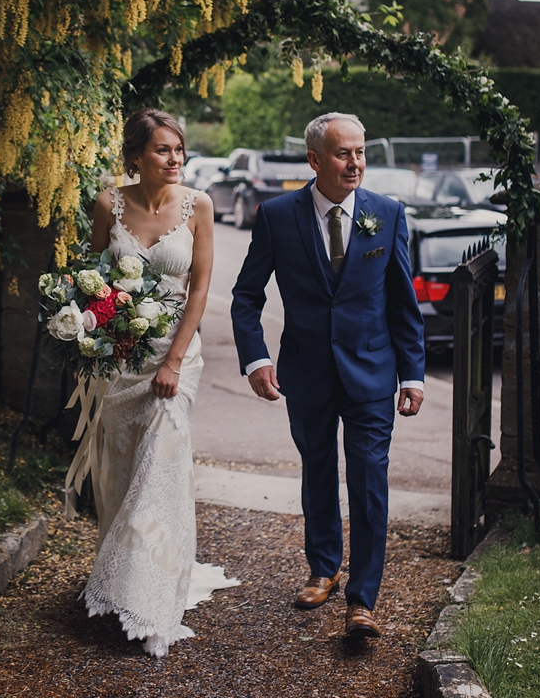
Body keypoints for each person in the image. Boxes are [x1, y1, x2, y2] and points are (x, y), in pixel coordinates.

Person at [230, 112, 425, 638]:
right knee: (317, 471)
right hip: (307, 372)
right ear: (315, 160)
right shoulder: (276, 216)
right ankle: (323, 569)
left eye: (360, 152)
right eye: (344, 153)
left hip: (372, 372)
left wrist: (413, 374)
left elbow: (403, 303)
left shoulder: (387, 213)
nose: (356, 162)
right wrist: (256, 359)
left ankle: (363, 601)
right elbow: (247, 297)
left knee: (368, 485)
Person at [79, 108, 239, 658]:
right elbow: (92, 280)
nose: (175, 160)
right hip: (121, 360)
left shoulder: (199, 206)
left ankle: (151, 605)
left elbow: (199, 289)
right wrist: (89, 330)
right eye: (163, 150)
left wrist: (173, 359)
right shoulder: (108, 203)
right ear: (136, 157)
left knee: (161, 468)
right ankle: (122, 577)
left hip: (176, 353)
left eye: (179, 150)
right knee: (124, 471)